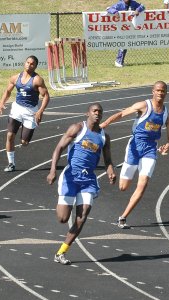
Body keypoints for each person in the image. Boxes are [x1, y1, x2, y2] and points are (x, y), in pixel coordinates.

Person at [47, 103, 116, 265]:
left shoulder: (104, 137)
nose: (97, 114)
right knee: (63, 218)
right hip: (71, 177)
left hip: (89, 181)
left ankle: (61, 252)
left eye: (100, 111)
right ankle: (65, 204)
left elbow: (108, 160)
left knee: (83, 215)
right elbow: (58, 148)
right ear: (88, 113)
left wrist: (110, 171)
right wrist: (52, 171)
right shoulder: (77, 128)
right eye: (94, 111)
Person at [100, 81, 169, 229]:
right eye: (158, 90)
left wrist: (168, 145)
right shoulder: (143, 106)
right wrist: (104, 124)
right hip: (134, 146)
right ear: (153, 91)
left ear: (166, 93)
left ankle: (123, 217)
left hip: (150, 150)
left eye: (163, 91)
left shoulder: (167, 115)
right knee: (123, 187)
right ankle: (125, 178)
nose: (160, 93)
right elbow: (121, 114)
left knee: (143, 183)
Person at [0, 55, 50, 172]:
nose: (29, 65)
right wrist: (1, 104)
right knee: (10, 136)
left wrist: (40, 111)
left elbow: (46, 96)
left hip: (31, 112)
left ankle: (24, 130)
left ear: (35, 66)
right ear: (24, 63)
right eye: (27, 62)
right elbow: (8, 91)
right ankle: (11, 163)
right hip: (17, 109)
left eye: (32, 64)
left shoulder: (37, 80)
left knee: (24, 142)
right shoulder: (15, 78)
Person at [107, 0, 145, 68]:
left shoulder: (133, 3)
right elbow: (109, 8)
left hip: (130, 27)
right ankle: (118, 61)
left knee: (125, 44)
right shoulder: (120, 4)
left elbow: (142, 6)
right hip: (120, 28)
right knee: (123, 44)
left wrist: (137, 10)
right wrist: (115, 12)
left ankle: (121, 61)